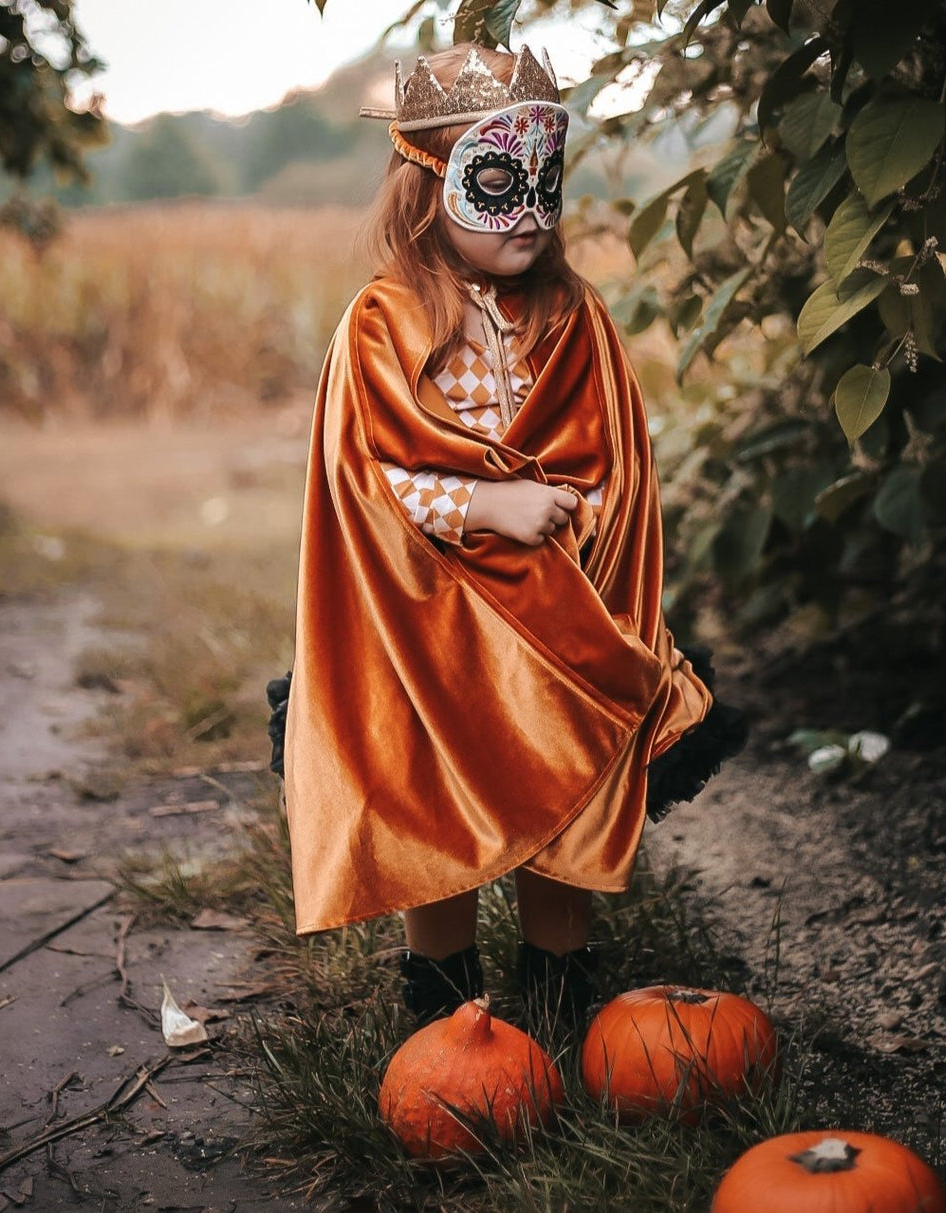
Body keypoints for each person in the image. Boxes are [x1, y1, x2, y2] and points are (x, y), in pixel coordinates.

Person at [282, 43, 742, 1031]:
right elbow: (362, 474)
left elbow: (612, 459)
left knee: (565, 782)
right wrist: (482, 508)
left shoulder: (576, 316)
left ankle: (559, 980)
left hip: (553, 620)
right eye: (497, 182)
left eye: (546, 181)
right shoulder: (381, 324)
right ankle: (445, 1002)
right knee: (423, 789)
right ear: (427, 184)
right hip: (425, 629)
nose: (530, 209)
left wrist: (571, 527)